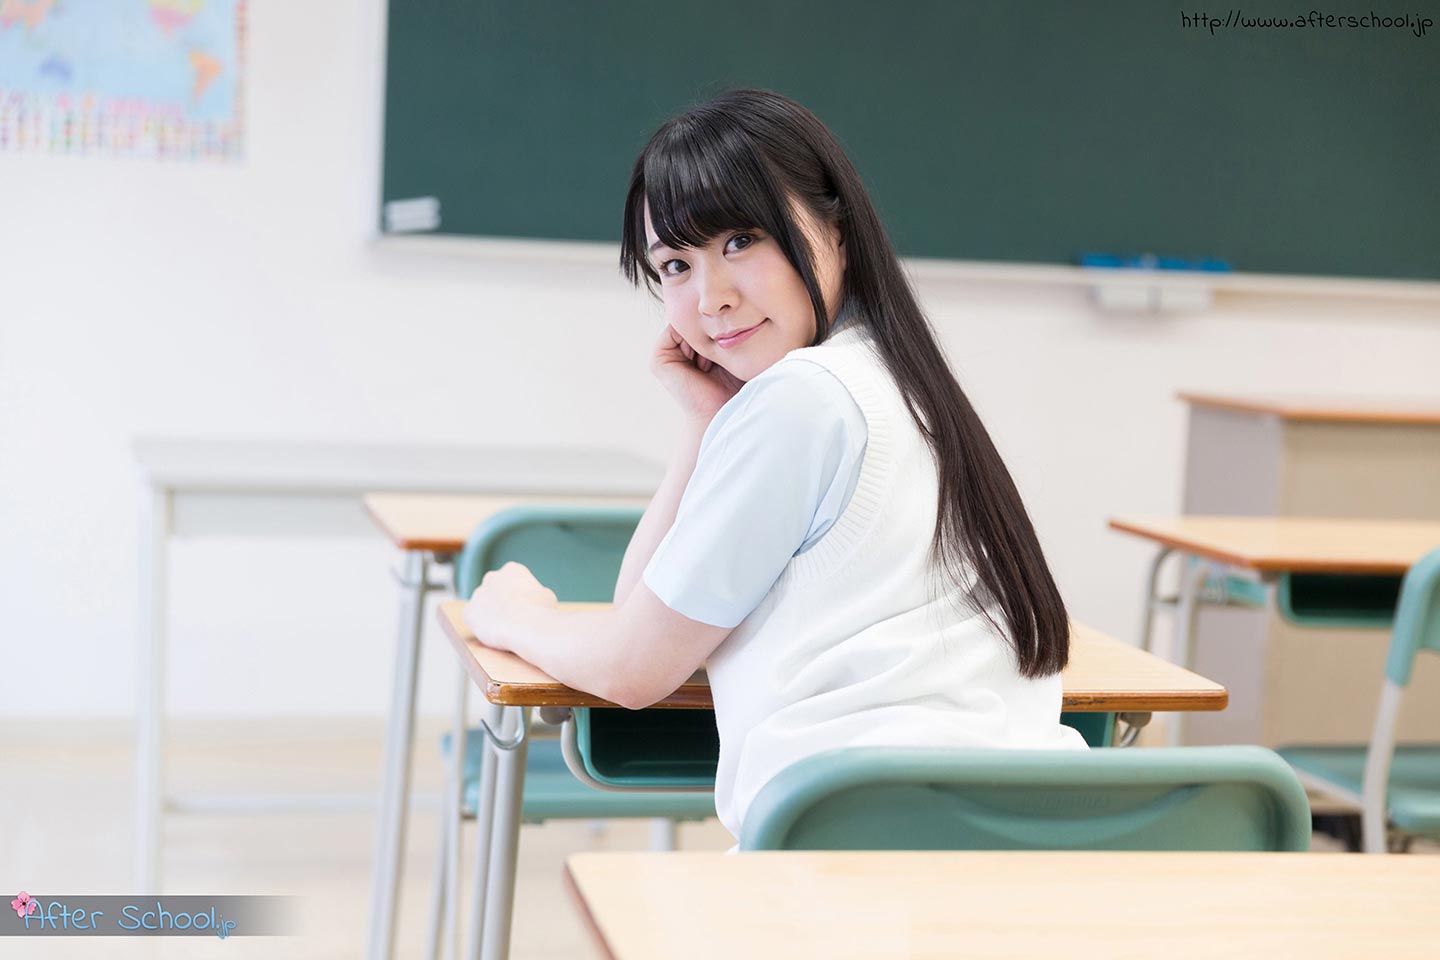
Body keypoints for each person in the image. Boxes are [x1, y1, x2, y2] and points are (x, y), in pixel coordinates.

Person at [464, 88, 1086, 840]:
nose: (711, 297)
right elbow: (648, 615)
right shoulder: (895, 378)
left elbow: (633, 668)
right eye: (674, 265)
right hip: (1022, 836)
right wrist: (706, 424)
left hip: (864, 848)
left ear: (838, 232)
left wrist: (518, 619)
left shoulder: (805, 400)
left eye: (740, 242)